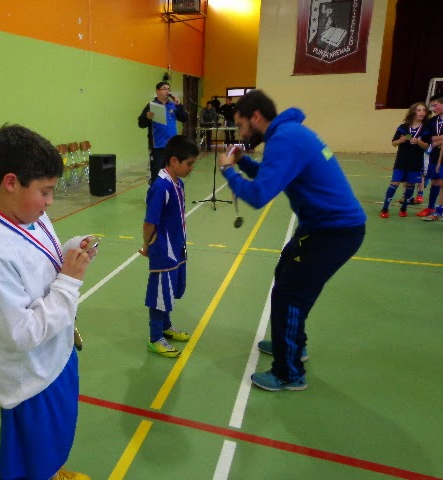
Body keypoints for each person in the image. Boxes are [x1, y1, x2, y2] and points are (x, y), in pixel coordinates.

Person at [0, 124, 96, 480]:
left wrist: (71, 252)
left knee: (54, 443)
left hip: (58, 354)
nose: (51, 201)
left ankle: (53, 471)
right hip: (31, 378)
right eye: (45, 191)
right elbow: (20, 334)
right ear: (10, 182)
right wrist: (69, 281)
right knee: (31, 458)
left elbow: (44, 263)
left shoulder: (31, 215)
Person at [217, 90, 366, 391]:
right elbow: (274, 175)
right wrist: (244, 163)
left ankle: (289, 372)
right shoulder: (288, 134)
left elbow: (259, 195)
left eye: (241, 125)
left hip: (334, 231)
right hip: (320, 226)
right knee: (285, 274)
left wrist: (227, 170)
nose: (241, 133)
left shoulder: (284, 139)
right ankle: (293, 342)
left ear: (256, 117)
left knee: (289, 295)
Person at [139, 135, 199, 358]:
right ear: (174, 161)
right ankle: (155, 338)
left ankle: (166, 326)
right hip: (163, 249)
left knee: (171, 290)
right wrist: (147, 245)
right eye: (189, 163)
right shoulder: (161, 187)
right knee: (160, 293)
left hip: (177, 246)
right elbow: (149, 222)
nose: (191, 168)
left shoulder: (178, 183)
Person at [380, 102, 430, 218]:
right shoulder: (403, 128)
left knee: (410, 185)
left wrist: (418, 142)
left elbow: (427, 146)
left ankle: (404, 208)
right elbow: (393, 143)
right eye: (419, 110)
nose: (422, 112)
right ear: (413, 112)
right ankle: (385, 208)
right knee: (395, 182)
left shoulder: (426, 130)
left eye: (424, 110)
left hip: (415, 162)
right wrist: (401, 140)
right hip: (401, 161)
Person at [138, 81, 188, 183]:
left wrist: (179, 106)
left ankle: (168, 194)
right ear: (157, 91)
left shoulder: (173, 105)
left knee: (171, 173)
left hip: (172, 146)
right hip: (157, 147)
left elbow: (184, 118)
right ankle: (155, 196)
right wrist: (147, 117)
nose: (167, 91)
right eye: (164, 88)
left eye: (168, 89)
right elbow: (141, 123)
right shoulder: (151, 106)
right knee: (156, 174)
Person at [416, 94, 443, 220]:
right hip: (435, 155)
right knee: (435, 181)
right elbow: (428, 138)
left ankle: (439, 211)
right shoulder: (432, 122)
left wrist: (436, 140)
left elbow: (433, 139)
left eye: (435, 105)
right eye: (431, 106)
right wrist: (438, 140)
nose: (432, 108)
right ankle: (431, 207)